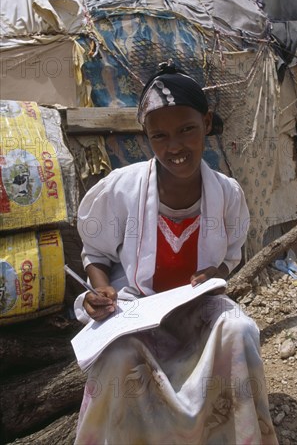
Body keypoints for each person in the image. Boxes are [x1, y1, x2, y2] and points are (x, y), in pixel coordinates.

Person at [73, 62, 278, 445]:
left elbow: (230, 258)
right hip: (137, 312)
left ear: (207, 122)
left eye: (187, 130)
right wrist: (99, 293)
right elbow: (95, 254)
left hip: (197, 312)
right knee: (118, 357)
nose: (175, 147)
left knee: (239, 330)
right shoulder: (120, 189)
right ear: (147, 137)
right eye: (160, 136)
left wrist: (215, 272)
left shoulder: (227, 194)